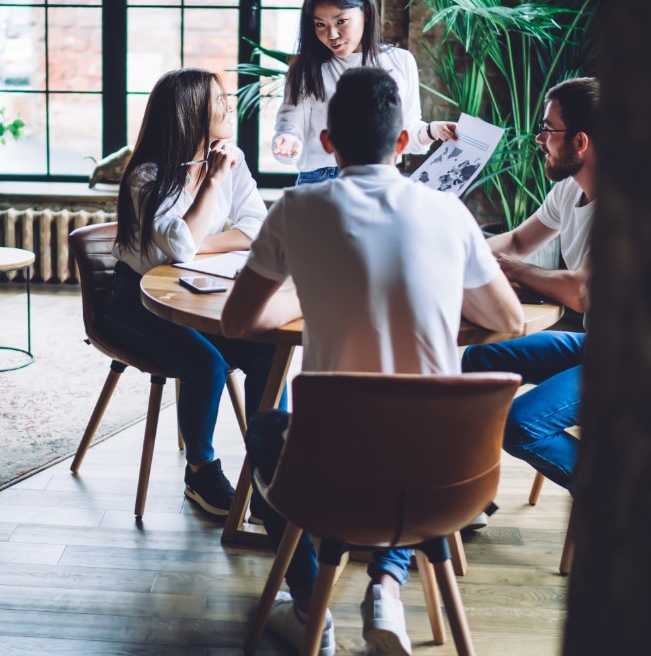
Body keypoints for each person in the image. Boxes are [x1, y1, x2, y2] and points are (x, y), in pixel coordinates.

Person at [222, 67, 523, 656]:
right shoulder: (448, 213)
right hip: (446, 480)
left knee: (265, 430)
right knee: (411, 442)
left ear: (327, 141)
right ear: (403, 141)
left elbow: (238, 322)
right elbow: (507, 320)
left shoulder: (296, 209)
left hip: (327, 476)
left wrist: (308, 290)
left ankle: (309, 607)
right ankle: (385, 587)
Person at [101, 68, 279, 517]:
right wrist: (213, 183)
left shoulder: (231, 157)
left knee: (270, 350)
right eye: (218, 100)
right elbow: (180, 246)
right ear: (190, 114)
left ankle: (269, 478)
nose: (229, 106)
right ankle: (200, 470)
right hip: (134, 301)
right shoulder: (146, 177)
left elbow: (256, 228)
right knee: (206, 364)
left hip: (192, 292)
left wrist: (195, 245)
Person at [460, 76, 600, 492]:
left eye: (547, 129)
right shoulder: (570, 190)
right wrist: (461, 253)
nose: (539, 139)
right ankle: (466, 490)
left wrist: (513, 269)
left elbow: (580, 292)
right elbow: (520, 241)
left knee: (521, 426)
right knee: (477, 361)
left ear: (580, 142)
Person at [271, 0, 456, 185]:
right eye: (320, 24)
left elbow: (406, 131)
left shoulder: (400, 61)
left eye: (341, 21)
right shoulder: (306, 69)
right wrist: (287, 143)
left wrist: (433, 130)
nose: (332, 35)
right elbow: (289, 127)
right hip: (321, 179)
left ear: (366, 13)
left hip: (381, 179)